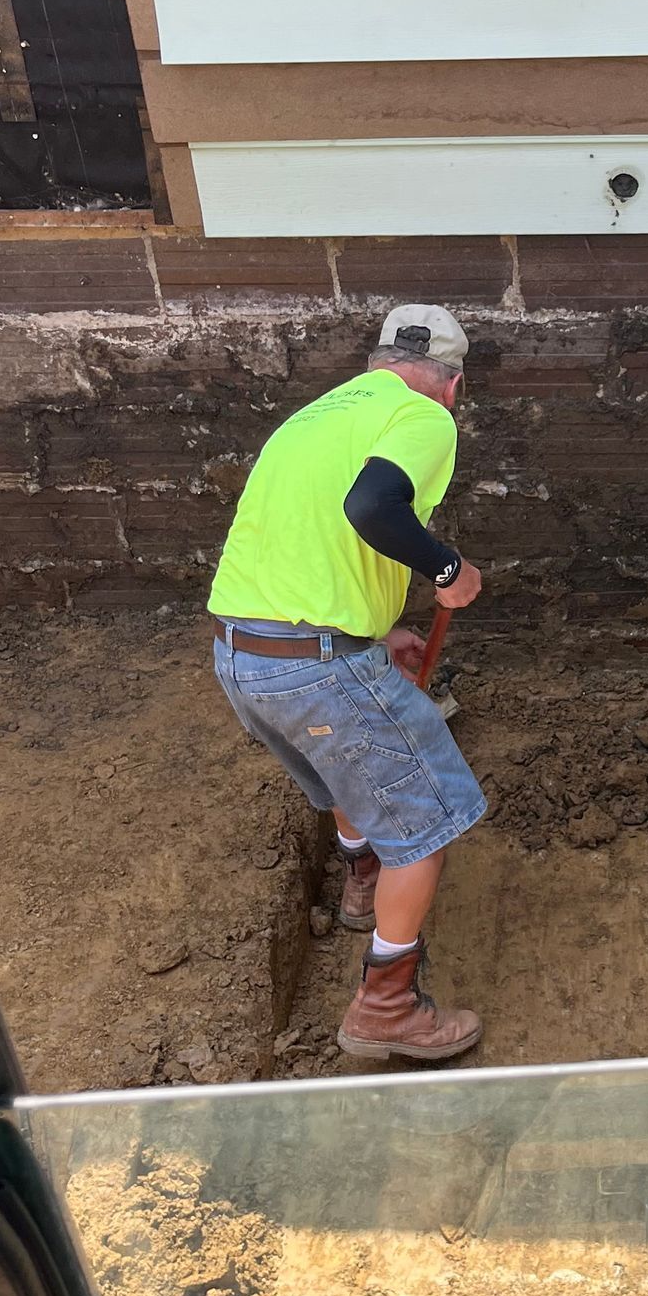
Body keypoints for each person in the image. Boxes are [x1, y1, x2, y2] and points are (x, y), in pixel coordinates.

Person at [207, 303, 486, 1065]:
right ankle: (387, 1006)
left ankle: (361, 885)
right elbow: (372, 508)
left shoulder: (313, 419)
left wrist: (370, 632)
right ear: (452, 385)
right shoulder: (425, 418)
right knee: (430, 820)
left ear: (375, 363)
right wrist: (447, 569)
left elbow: (313, 542)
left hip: (244, 656)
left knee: (345, 775)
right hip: (315, 672)